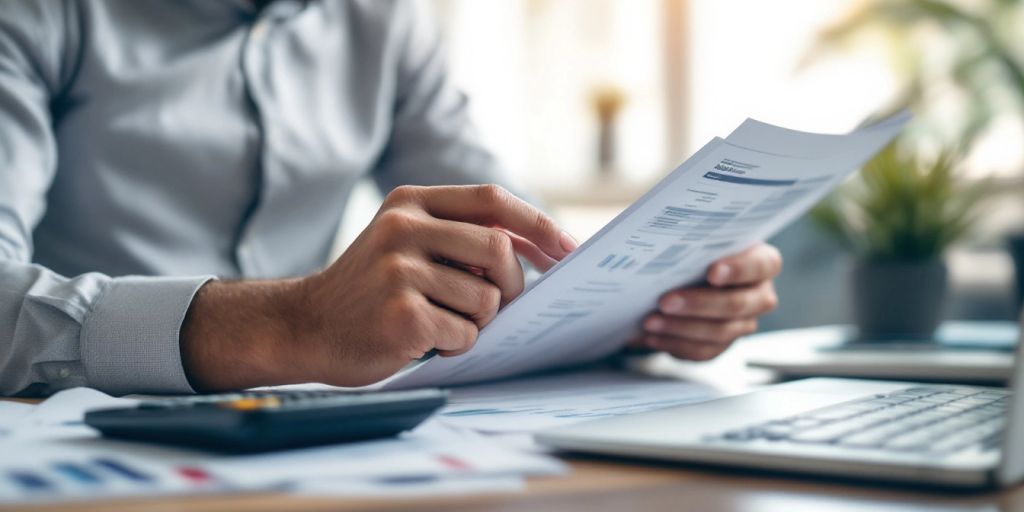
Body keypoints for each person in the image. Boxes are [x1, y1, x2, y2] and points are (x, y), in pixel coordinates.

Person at [0, 0, 782, 396]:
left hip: (316, 445)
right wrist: (292, 322)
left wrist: (651, 303)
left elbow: (515, 252)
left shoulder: (381, 22)